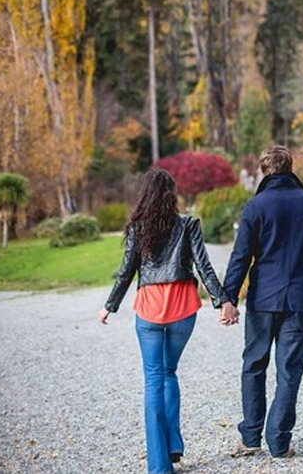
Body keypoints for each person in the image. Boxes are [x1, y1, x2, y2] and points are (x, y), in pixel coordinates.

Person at [99, 168, 234, 474]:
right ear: (172, 193)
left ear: (143, 195)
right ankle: (173, 444)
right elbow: (204, 266)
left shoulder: (137, 228)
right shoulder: (188, 224)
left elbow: (127, 270)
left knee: (153, 379)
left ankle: (160, 466)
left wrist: (109, 306)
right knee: (169, 373)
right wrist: (222, 300)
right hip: (183, 309)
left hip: (148, 311)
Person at [221, 146, 303, 459]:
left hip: (262, 300)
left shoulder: (256, 206)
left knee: (253, 366)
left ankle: (250, 439)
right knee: (289, 370)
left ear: (264, 171)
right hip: (299, 300)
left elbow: (241, 256)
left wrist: (228, 298)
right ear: (290, 167)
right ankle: (279, 442)